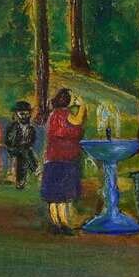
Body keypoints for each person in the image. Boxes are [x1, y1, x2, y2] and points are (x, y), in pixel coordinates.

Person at [41, 88, 87, 235]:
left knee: (54, 196)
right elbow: (78, 122)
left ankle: (56, 223)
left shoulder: (53, 115)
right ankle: (64, 224)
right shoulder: (66, 115)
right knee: (63, 195)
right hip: (65, 159)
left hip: (52, 159)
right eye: (73, 97)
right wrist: (82, 105)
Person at [5, 101, 38, 189]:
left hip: (24, 150)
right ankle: (36, 170)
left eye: (27, 114)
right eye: (22, 114)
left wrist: (25, 145)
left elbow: (32, 141)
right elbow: (8, 141)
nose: (24, 116)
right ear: (16, 114)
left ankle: (20, 182)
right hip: (13, 149)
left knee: (24, 155)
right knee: (24, 151)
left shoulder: (31, 128)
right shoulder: (12, 126)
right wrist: (20, 145)